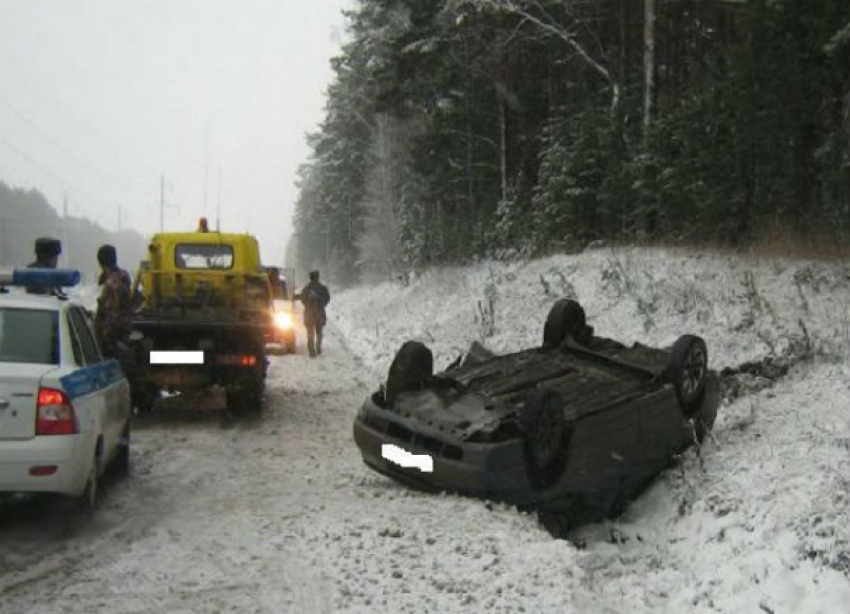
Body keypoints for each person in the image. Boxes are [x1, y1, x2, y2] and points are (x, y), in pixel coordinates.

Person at [94, 244, 133, 359]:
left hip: (113, 342)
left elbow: (112, 315)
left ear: (100, 262)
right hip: (123, 335)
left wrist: (104, 340)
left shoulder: (112, 284)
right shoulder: (122, 277)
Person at [295, 270, 330, 358]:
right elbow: (327, 299)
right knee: (319, 332)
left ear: (310, 277)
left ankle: (311, 351)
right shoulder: (323, 288)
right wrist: (321, 305)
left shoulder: (306, 289)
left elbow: (303, 300)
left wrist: (308, 305)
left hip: (309, 314)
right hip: (320, 313)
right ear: (318, 277)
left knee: (310, 332)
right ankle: (318, 348)